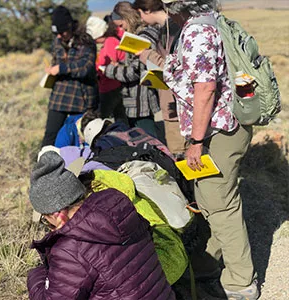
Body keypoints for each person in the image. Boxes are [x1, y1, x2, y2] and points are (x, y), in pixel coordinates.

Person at [131, 1, 259, 299]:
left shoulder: (198, 31)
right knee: (207, 196)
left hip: (219, 131)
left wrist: (196, 142)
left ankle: (241, 282)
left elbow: (205, 89)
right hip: (221, 126)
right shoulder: (209, 22)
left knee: (221, 204)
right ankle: (207, 262)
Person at [27, 151, 175, 299]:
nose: (48, 224)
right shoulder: (119, 206)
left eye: (45, 218)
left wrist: (36, 275)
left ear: (57, 213)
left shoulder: (70, 248)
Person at [132, 0, 187, 157]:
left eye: (140, 14)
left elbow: (173, 67)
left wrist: (146, 55)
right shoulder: (166, 29)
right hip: (170, 100)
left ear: (147, 10)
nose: (141, 19)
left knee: (180, 152)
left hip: (176, 104)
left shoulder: (174, 29)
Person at [41, 6, 98, 147]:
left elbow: (86, 67)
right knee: (50, 137)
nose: (59, 36)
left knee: (80, 139)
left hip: (81, 98)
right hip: (59, 96)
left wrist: (61, 68)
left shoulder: (86, 41)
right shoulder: (57, 41)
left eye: (62, 32)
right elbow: (57, 60)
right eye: (57, 33)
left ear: (70, 26)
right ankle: (44, 167)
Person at [103, 2, 161, 138]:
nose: (121, 30)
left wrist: (110, 70)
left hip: (141, 102)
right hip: (138, 100)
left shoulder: (142, 36)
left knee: (148, 140)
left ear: (127, 17)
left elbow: (134, 71)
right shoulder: (145, 33)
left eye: (121, 26)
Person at [86, 16, 128, 125]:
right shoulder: (113, 40)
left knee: (101, 119)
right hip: (115, 86)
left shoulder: (110, 42)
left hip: (109, 87)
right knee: (121, 116)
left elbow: (112, 64)